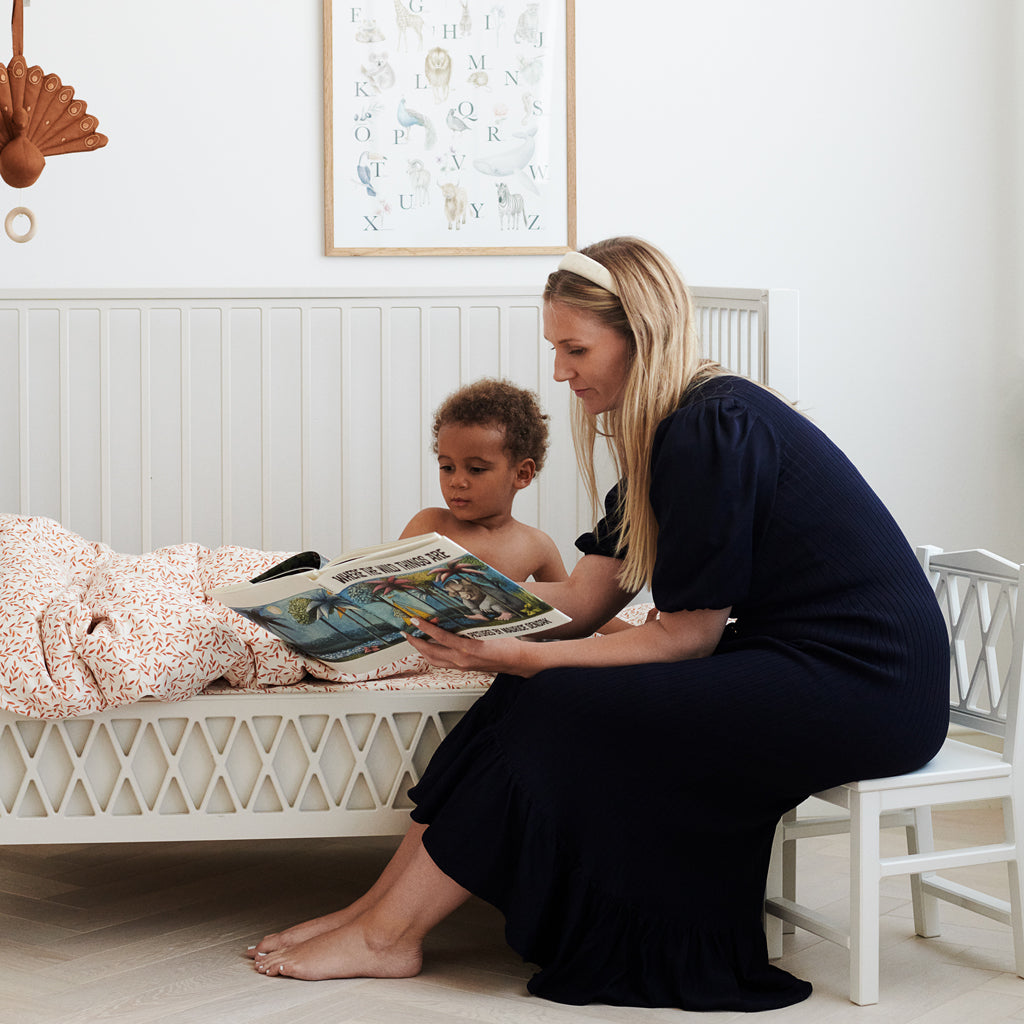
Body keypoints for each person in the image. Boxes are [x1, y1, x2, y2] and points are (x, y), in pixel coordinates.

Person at [247, 237, 949, 1011]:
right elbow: (585, 601)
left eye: (575, 349)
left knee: (550, 699)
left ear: (640, 336)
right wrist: (467, 620)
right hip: (797, 660)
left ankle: (387, 934)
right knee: (523, 693)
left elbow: (687, 637)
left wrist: (526, 659)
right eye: (555, 348)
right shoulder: (667, 429)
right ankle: (377, 917)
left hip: (867, 686)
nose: (559, 372)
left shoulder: (710, 428)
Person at [399, 377, 568, 583]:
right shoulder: (429, 524)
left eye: (476, 469)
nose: (457, 482)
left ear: (522, 474)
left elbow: (570, 602)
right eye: (447, 467)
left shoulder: (536, 546)